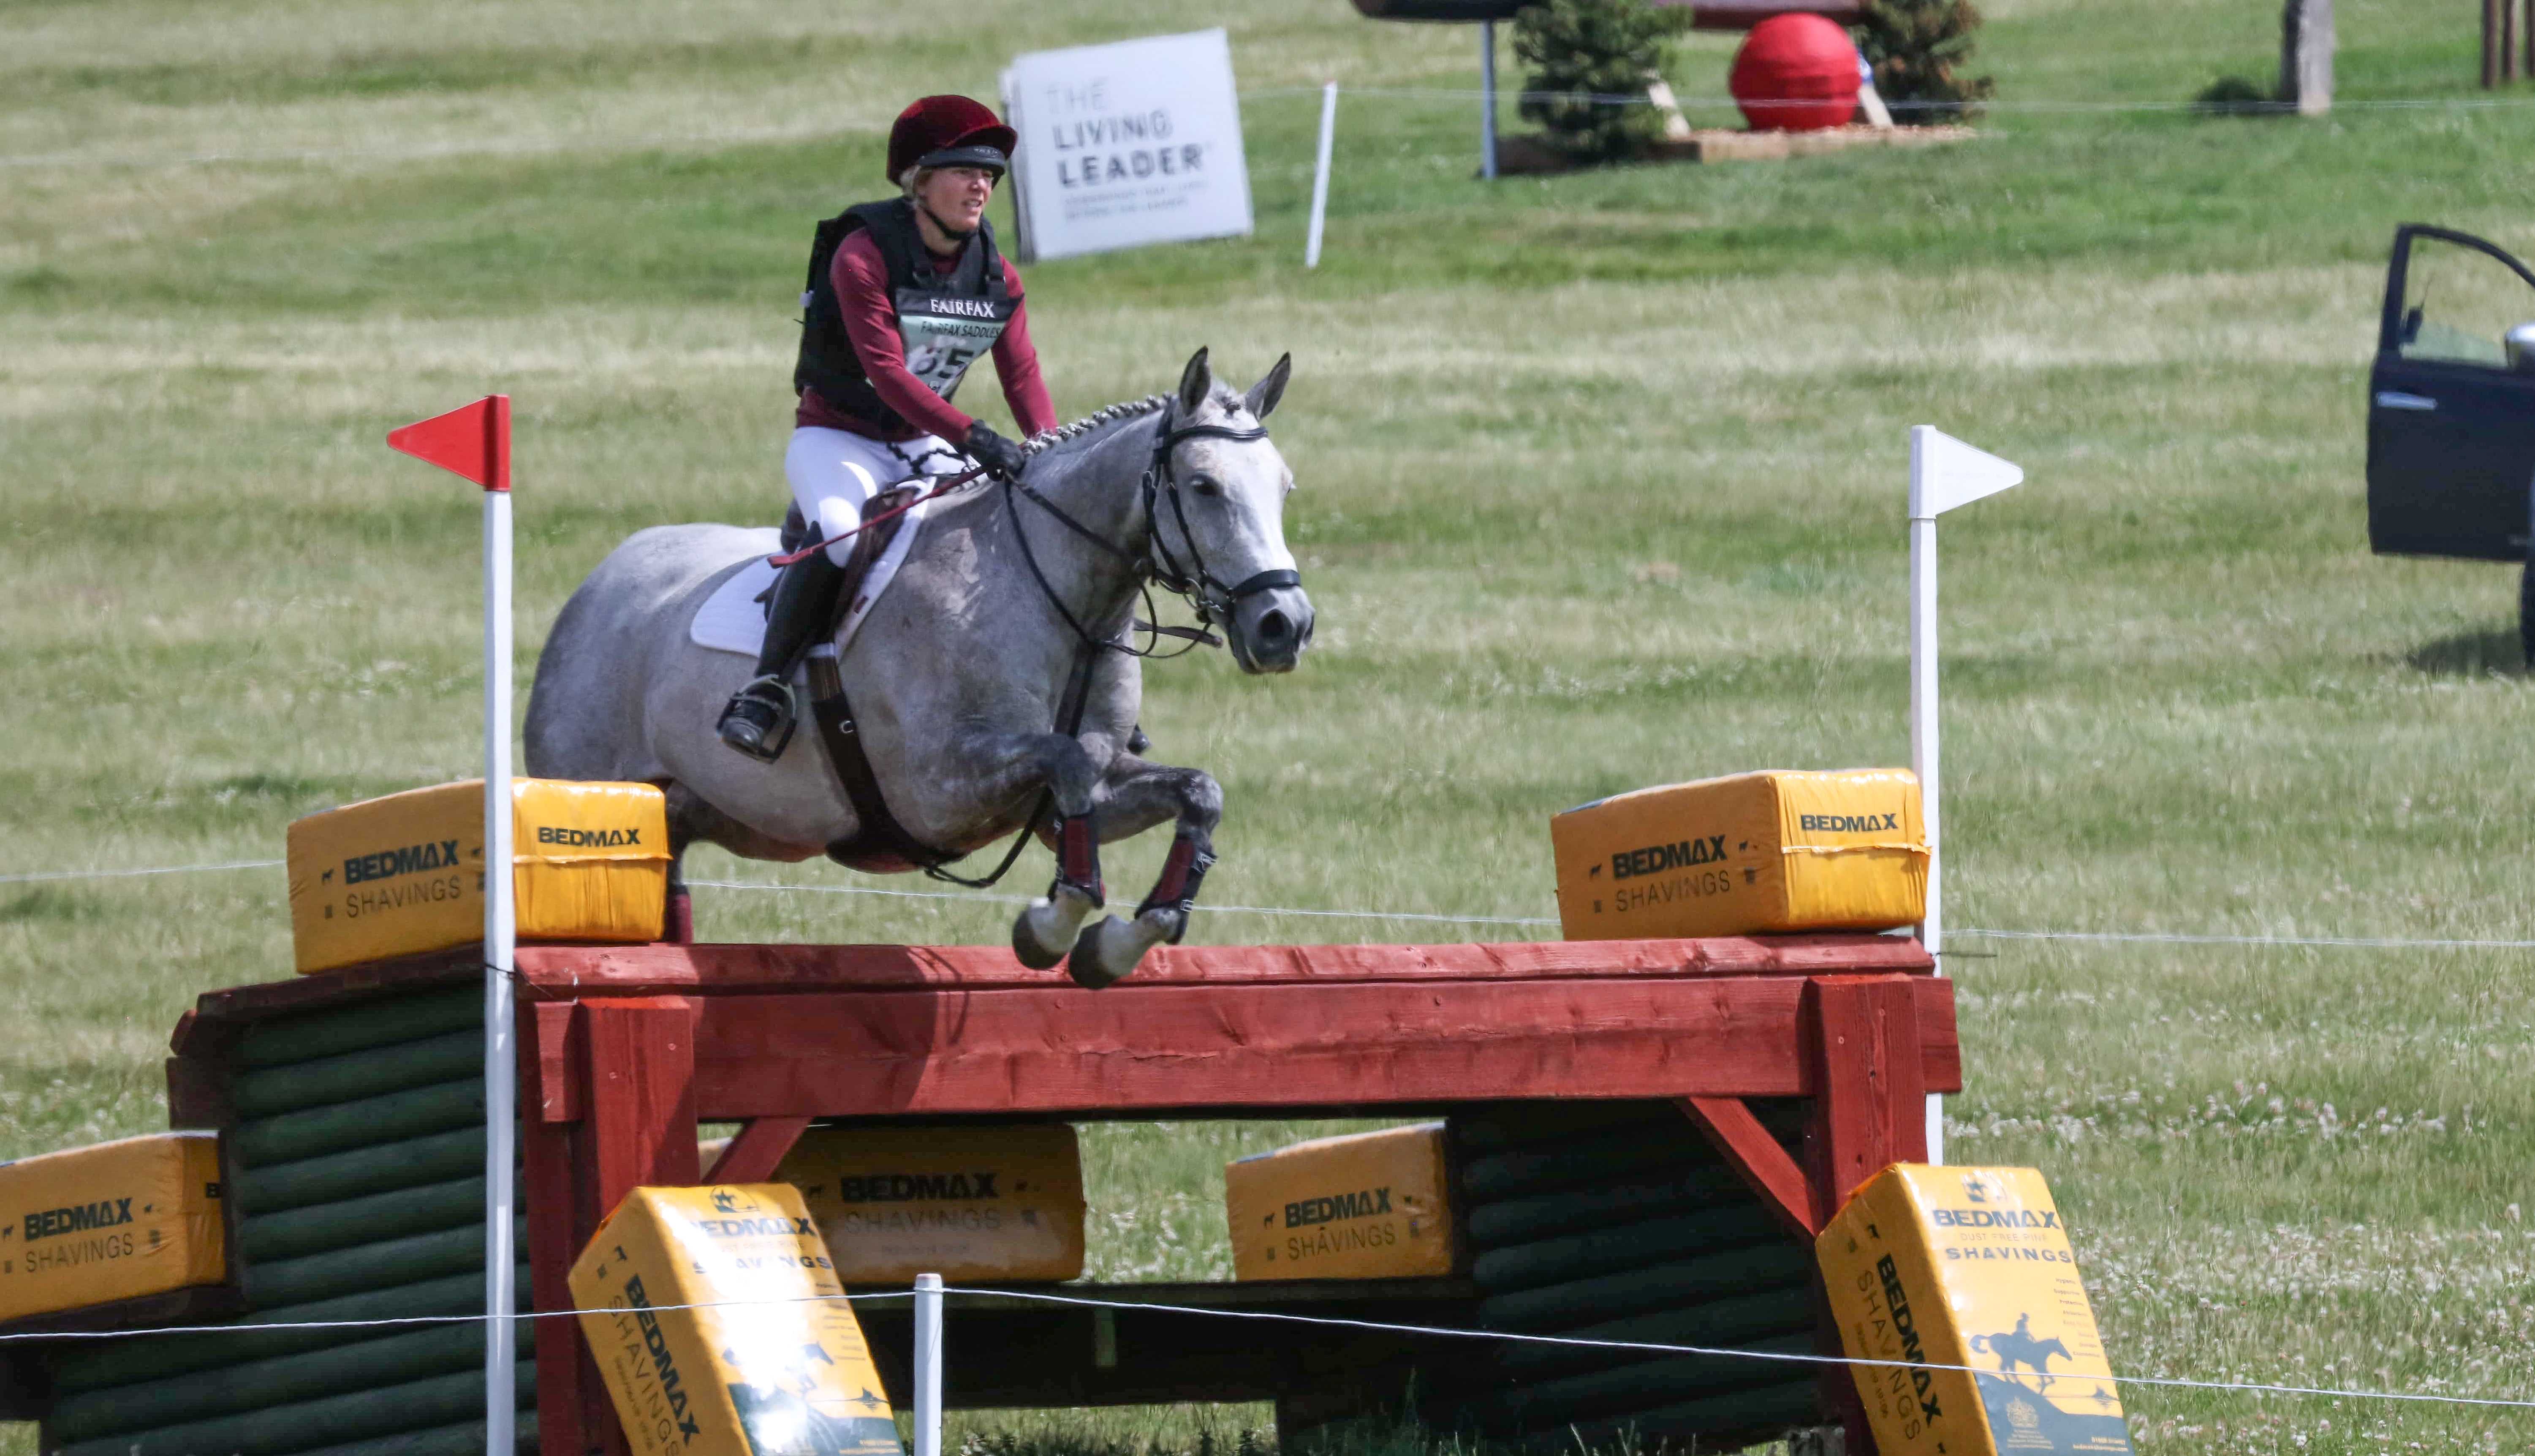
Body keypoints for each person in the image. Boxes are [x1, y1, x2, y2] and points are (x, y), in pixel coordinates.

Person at [718, 94, 1060, 760]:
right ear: (919, 182)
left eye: (990, 174)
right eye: (964, 169)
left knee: (1010, 530)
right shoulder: (862, 256)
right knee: (845, 543)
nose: (981, 185)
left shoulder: (998, 273)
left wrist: (1046, 449)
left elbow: (1021, 374)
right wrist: (973, 436)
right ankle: (765, 686)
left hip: (921, 441)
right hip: (838, 438)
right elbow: (887, 375)